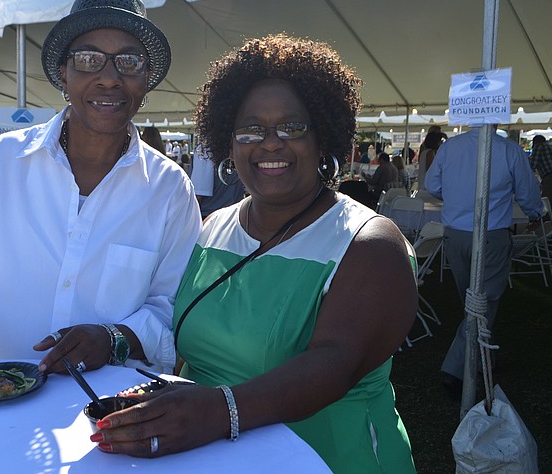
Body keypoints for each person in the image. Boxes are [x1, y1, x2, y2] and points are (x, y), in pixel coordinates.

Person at [93, 35, 417, 472]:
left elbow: (334, 365)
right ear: (229, 143)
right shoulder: (213, 227)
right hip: (212, 459)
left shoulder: (369, 244)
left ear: (324, 138)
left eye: (292, 127)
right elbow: (177, 321)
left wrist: (212, 412)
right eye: (251, 129)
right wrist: (112, 340)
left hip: (329, 461)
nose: (270, 143)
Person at [0, 0, 201, 393]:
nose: (109, 77)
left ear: (147, 81)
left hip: (111, 405)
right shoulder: (2, 162)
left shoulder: (169, 188)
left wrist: (112, 338)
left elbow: (170, 303)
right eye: (89, 59)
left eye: (129, 61)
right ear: (64, 74)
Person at [426, 125, 543, 399]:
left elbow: (432, 185)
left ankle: (481, 359)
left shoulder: (451, 147)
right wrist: (536, 213)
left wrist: (457, 198)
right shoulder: (508, 149)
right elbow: (527, 192)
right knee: (482, 305)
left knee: (474, 304)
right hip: (490, 234)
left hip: (455, 235)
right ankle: (455, 370)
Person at [190, 144, 246, 219]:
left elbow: (198, 194)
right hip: (236, 215)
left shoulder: (204, 150)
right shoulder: (241, 147)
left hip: (210, 217)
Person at [416, 127, 444, 192]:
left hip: (425, 187)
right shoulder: (430, 153)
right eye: (440, 141)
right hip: (427, 188)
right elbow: (431, 170)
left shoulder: (426, 152)